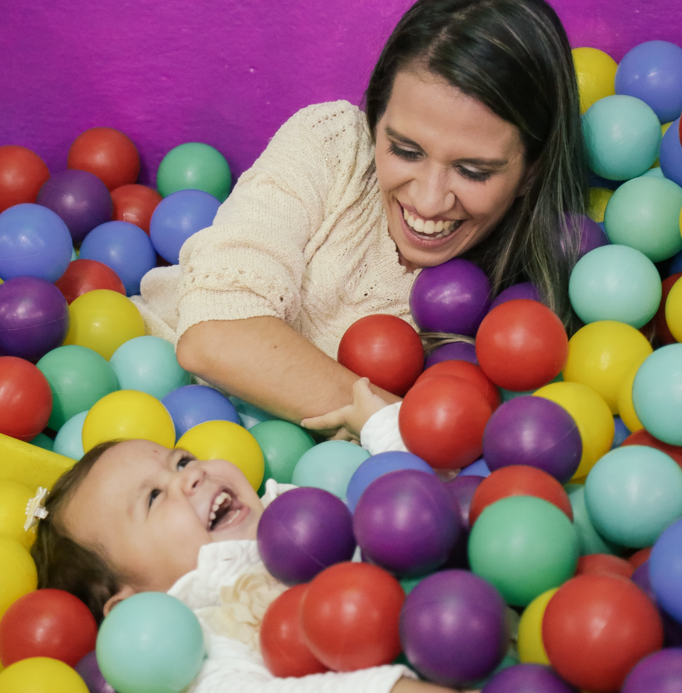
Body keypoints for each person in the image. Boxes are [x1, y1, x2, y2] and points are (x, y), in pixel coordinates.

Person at [132, 0, 587, 432]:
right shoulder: (334, 146)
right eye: (405, 150)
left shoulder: (527, 300)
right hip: (136, 397)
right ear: (375, 120)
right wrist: (404, 428)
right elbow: (214, 334)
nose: (429, 202)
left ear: (533, 171)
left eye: (472, 171)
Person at [29, 382, 474, 693]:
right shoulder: (201, 644)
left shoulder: (300, 507)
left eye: (181, 461)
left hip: (467, 605)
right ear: (130, 607)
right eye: (152, 498)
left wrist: (381, 427)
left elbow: (413, 507)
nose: (192, 477)